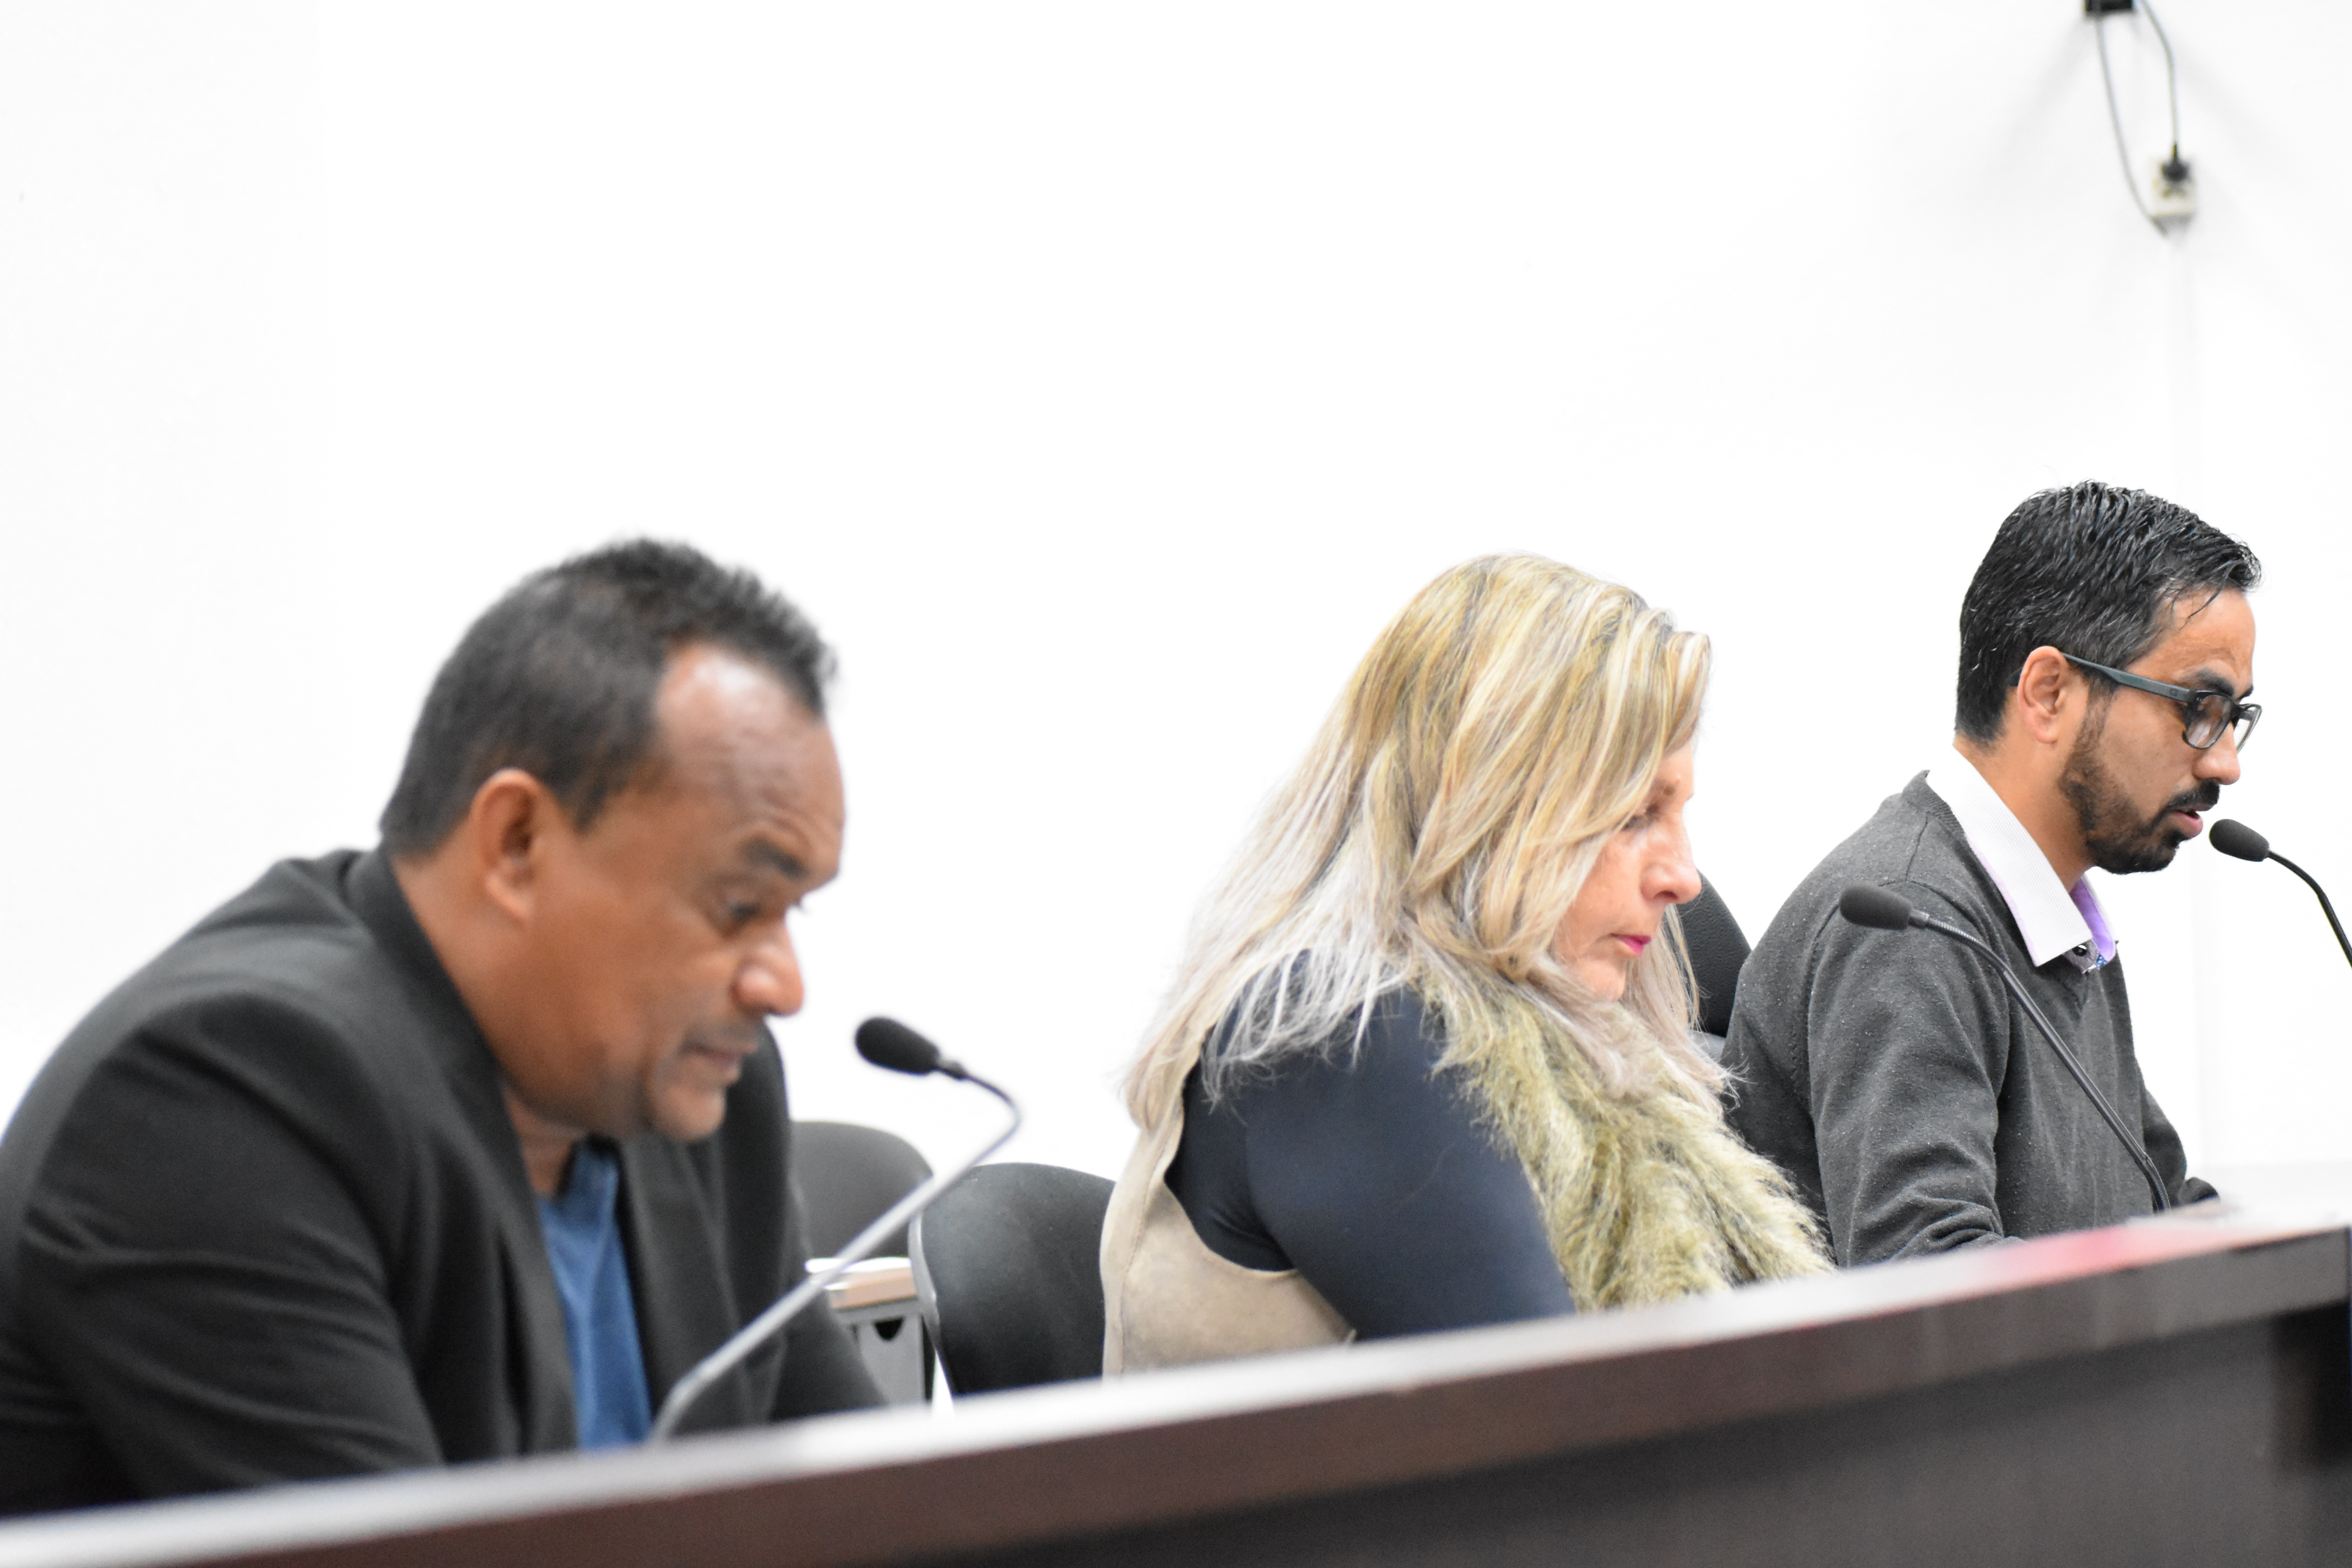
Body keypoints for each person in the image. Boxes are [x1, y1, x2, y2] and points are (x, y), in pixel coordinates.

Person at [0, 541, 882, 1514]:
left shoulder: (703, 1090)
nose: (784, 985)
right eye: (739, 903)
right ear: (517, 842)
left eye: (795, 909)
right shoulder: (228, 1096)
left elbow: (882, 1516)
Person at [1100, 555, 1828, 1374]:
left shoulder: (1524, 1037)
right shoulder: (1342, 1034)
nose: (1683, 877)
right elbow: (1559, 1412)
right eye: (1634, 813)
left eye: (1677, 813)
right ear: (1485, 806)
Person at [1723, 482, 2255, 1265]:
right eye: (2199, 707)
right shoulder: (1913, 923)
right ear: (2049, 692)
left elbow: (2159, 1200)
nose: (2225, 763)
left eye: (2235, 717)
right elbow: (1931, 1283)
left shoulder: (2056, 920)